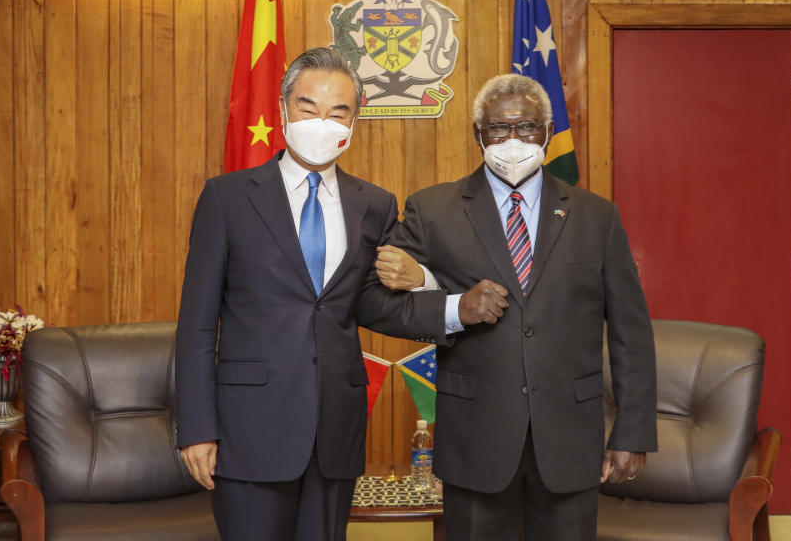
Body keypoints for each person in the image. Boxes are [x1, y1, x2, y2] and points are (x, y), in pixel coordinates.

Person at [174, 47, 450, 541]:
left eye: (337, 111)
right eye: (308, 108)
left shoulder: (374, 204)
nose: (322, 122)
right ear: (283, 110)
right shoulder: (227, 197)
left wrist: (426, 282)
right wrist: (196, 428)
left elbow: (371, 306)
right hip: (249, 430)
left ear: (355, 120)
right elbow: (196, 324)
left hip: (335, 431)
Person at [373, 74, 658, 540]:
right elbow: (376, 305)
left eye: (525, 127)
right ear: (477, 136)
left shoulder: (596, 216)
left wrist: (633, 431)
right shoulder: (433, 209)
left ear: (547, 131)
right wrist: (454, 309)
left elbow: (631, 331)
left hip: (570, 440)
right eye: (497, 129)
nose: (512, 140)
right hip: (475, 439)